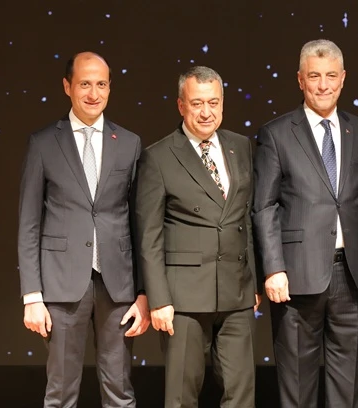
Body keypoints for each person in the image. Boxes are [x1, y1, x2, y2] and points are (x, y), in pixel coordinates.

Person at [252, 39, 358, 408]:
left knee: (349, 388)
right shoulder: (276, 133)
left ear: (343, 78)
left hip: (352, 276)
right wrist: (273, 268)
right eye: (314, 76)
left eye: (331, 76)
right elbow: (264, 206)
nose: (323, 85)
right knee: (297, 386)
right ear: (300, 80)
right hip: (296, 278)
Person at [18, 51, 150, 407]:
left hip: (118, 286)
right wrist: (32, 296)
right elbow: (29, 224)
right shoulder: (44, 142)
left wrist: (143, 292)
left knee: (120, 391)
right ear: (67, 86)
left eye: (101, 84)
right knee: (60, 393)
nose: (94, 93)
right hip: (61, 286)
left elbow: (140, 224)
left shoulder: (129, 143)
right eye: (85, 84)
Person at [134, 66, 260, 408]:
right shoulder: (158, 157)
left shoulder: (240, 146)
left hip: (236, 292)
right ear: (181, 105)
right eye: (197, 103)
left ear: (223, 104)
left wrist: (252, 280)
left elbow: (245, 217)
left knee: (242, 395)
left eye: (213, 103)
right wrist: (158, 299)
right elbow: (149, 237)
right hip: (184, 298)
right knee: (182, 397)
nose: (206, 112)